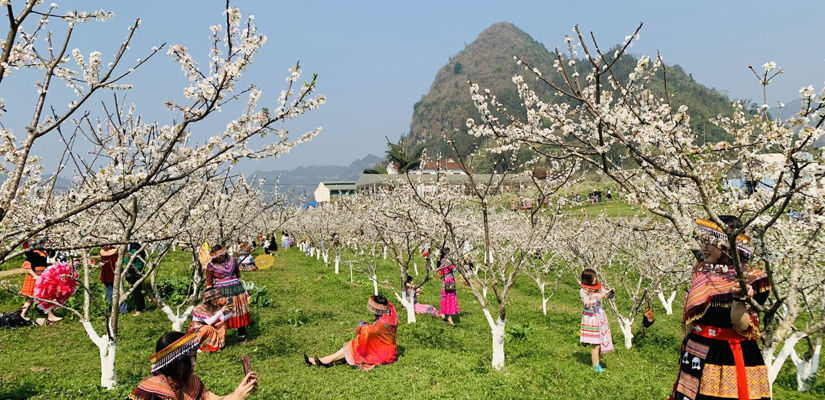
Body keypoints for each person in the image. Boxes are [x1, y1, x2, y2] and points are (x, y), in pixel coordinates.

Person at [669, 217, 772, 400]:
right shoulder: (701, 271)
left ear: (726, 244)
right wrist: (685, 347)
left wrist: (738, 299)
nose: (703, 248)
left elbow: (742, 327)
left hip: (728, 356)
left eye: (708, 243)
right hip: (694, 351)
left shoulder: (752, 278)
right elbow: (693, 318)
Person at [128, 331, 258, 400]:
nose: (194, 362)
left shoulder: (189, 382)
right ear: (175, 362)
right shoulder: (154, 393)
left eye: (194, 356)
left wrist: (239, 393)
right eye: (189, 359)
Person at [304, 295, 397, 370]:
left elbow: (367, 331)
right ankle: (325, 360)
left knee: (354, 345)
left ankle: (326, 361)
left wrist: (361, 325)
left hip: (382, 354)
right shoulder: (391, 317)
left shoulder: (381, 323)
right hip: (388, 350)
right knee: (355, 344)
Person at [205, 245, 251, 342]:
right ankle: (219, 336)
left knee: (238, 310)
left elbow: (238, 274)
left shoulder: (232, 260)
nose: (220, 257)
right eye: (217, 257)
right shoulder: (210, 266)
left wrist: (240, 287)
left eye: (221, 255)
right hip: (221, 292)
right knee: (222, 312)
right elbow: (209, 282)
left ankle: (241, 334)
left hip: (236, 290)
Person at [579, 268, 614, 372]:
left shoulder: (598, 288)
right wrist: (599, 298)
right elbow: (587, 304)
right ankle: (595, 365)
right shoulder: (583, 291)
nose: (595, 279)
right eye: (593, 278)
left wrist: (610, 293)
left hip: (600, 316)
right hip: (591, 318)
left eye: (595, 277)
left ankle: (597, 362)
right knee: (596, 343)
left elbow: (607, 296)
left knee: (600, 341)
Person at [19, 244, 61, 322]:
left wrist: (51, 264)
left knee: (34, 298)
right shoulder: (34, 253)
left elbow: (41, 264)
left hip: (41, 276)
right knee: (42, 296)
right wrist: (34, 275)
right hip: (35, 277)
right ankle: (50, 315)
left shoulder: (43, 254)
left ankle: (22, 315)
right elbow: (27, 266)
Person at [189, 288, 234, 352]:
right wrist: (221, 311)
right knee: (207, 328)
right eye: (215, 298)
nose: (217, 300)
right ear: (209, 299)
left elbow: (222, 319)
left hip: (211, 327)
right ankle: (196, 345)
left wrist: (232, 312)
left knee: (222, 324)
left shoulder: (216, 306)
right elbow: (209, 322)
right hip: (199, 329)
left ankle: (217, 345)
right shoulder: (199, 308)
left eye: (218, 298)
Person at [99, 245, 127, 315]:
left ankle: (111, 309)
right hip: (115, 272)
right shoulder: (116, 251)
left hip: (106, 273)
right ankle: (123, 310)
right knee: (120, 291)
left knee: (109, 292)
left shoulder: (101, 252)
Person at [125, 243, 148, 317]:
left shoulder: (134, 252)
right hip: (141, 271)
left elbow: (128, 261)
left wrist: (124, 256)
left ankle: (138, 310)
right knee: (139, 291)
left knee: (136, 292)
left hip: (134, 272)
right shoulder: (141, 251)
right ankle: (143, 308)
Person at [438, 248, 460, 325]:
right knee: (450, 298)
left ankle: (446, 315)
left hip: (444, 281)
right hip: (450, 281)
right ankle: (449, 317)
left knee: (445, 298)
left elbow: (440, 271)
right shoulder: (447, 261)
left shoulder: (441, 261)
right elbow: (455, 270)